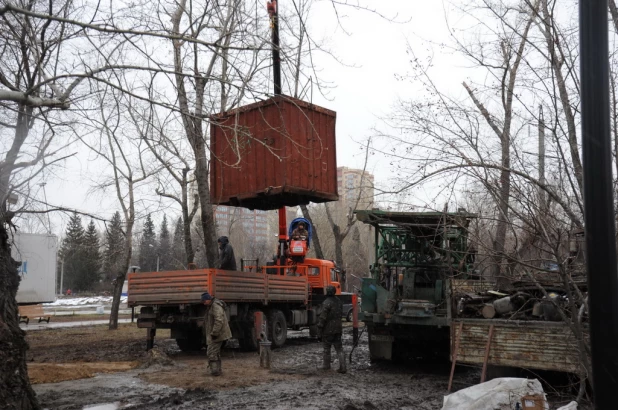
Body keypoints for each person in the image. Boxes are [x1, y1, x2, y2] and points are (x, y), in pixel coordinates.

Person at [201, 291, 232, 376]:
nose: (203, 303)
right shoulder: (212, 306)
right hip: (218, 333)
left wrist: (214, 333)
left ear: (208, 299)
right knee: (215, 352)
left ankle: (215, 371)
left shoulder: (215, 306)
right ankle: (217, 370)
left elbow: (219, 320)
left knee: (211, 352)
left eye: (204, 301)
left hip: (218, 334)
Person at [317, 285, 346, 373]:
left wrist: (319, 329)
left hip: (328, 328)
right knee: (339, 348)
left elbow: (323, 317)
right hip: (338, 327)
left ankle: (326, 365)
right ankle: (343, 366)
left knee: (326, 347)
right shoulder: (339, 301)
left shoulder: (326, 302)